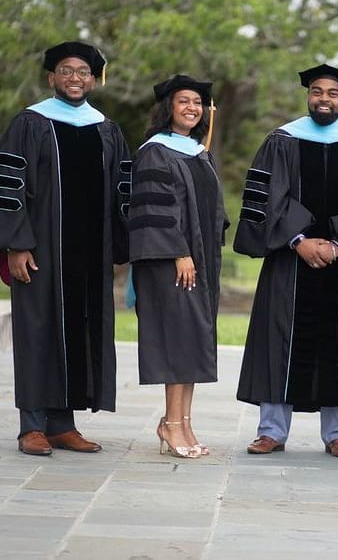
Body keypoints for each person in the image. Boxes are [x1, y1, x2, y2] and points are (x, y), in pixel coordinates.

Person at [234, 63, 338, 458]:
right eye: (317, 92)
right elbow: (268, 197)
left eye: (333, 93)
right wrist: (298, 240)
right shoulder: (281, 140)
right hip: (290, 261)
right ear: (308, 96)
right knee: (279, 342)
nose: (324, 99)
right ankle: (271, 431)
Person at [0, 41, 131, 456]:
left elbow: (122, 191)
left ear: (94, 79)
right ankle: (32, 426)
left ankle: (62, 424)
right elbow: (9, 186)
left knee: (80, 328)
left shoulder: (106, 129)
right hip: (41, 248)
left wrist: (122, 244)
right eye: (67, 71)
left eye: (83, 72)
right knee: (37, 330)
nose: (76, 78)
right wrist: (17, 244)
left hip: (89, 253)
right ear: (52, 77)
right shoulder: (30, 123)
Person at [128, 74, 227, 458]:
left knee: (193, 340)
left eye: (198, 103)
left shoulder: (198, 151)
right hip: (172, 260)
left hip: (199, 260)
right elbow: (156, 208)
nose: (192, 108)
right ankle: (171, 425)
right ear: (169, 107)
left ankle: (182, 423)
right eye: (184, 101)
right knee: (178, 340)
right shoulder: (156, 151)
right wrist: (180, 252)